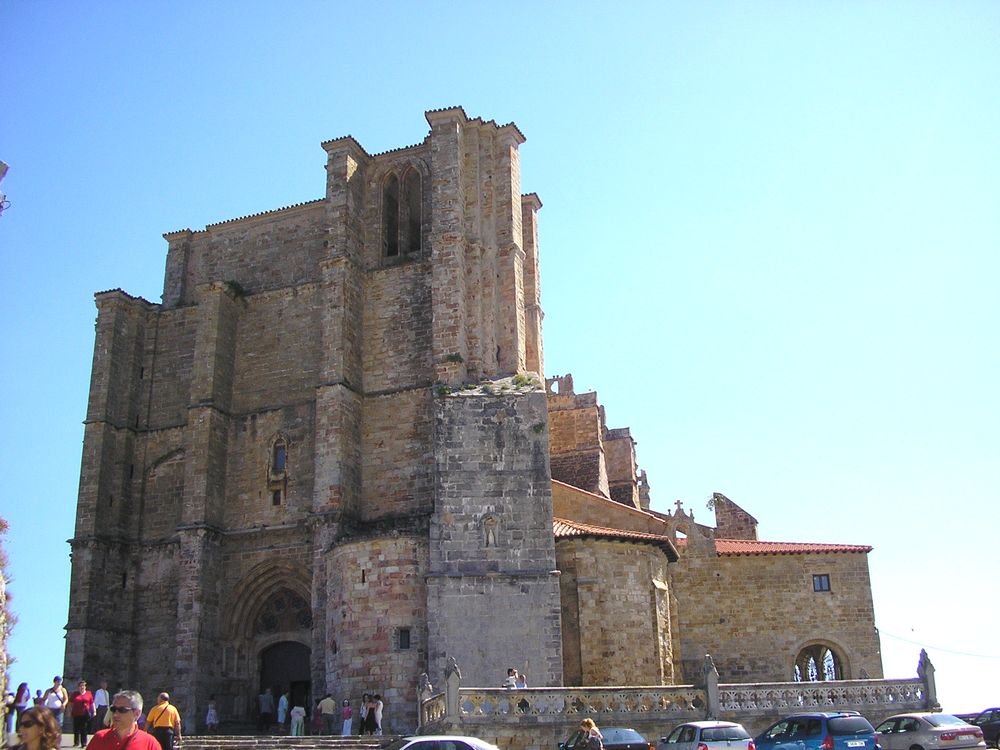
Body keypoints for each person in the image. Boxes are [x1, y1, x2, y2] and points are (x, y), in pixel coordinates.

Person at [86, 690, 161, 750]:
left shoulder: (149, 743)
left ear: (137, 713)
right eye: (113, 709)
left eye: (122, 710)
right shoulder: (99, 738)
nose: (115, 714)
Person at [70, 680, 95, 747]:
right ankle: (76, 743)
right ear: (78, 687)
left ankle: (84, 743)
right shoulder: (75, 694)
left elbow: (92, 703)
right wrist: (69, 711)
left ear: (85, 687)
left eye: (83, 686)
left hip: (85, 714)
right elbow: (71, 703)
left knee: (84, 729)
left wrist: (94, 711)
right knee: (76, 728)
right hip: (76, 713)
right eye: (81, 686)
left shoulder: (88, 693)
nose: (82, 687)